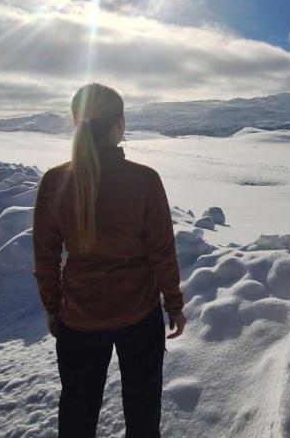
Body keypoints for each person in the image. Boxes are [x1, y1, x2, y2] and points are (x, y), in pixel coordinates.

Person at [32, 83, 186, 438]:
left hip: (80, 318)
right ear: (119, 124)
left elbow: (46, 256)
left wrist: (54, 308)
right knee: (143, 409)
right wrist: (173, 303)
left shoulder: (56, 181)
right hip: (139, 316)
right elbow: (162, 252)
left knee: (78, 409)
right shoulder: (144, 180)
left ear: (76, 121)